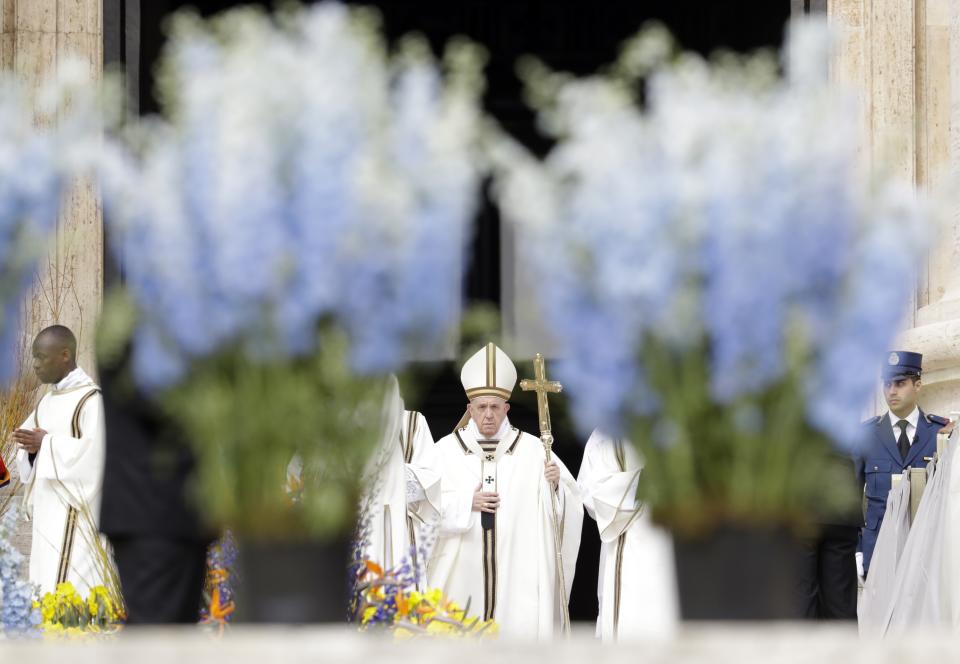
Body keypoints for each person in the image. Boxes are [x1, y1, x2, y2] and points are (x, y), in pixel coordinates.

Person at [427, 343, 582, 639]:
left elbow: (570, 507)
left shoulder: (536, 451)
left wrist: (556, 486)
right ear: (469, 409)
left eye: (494, 407)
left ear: (506, 408)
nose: (488, 415)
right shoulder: (443, 453)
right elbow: (419, 510)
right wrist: (464, 503)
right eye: (481, 407)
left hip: (517, 578)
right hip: (461, 580)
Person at [98, 340, 214, 623]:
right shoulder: (132, 311)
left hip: (182, 505)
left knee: (176, 638)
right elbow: (146, 390)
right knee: (156, 637)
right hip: (150, 507)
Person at [12, 325, 108, 596]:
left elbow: (97, 456)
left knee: (74, 598)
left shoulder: (91, 400)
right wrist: (31, 450)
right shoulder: (46, 401)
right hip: (47, 513)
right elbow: (30, 449)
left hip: (77, 518)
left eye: (41, 357)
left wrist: (47, 444)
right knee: (45, 585)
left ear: (65, 355)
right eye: (34, 357)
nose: (35, 365)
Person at [856, 350, 953, 579]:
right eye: (887, 384)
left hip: (927, 552)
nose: (892, 391)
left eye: (900, 383)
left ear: (918, 385)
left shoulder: (939, 433)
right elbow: (849, 496)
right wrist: (858, 550)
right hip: (878, 551)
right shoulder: (866, 436)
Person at [577, 430, 678, 640]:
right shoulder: (604, 434)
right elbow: (588, 492)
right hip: (626, 534)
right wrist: (639, 481)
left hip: (670, 531)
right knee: (629, 613)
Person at [359, 375, 441, 581]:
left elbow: (430, 481)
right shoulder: (345, 425)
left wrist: (389, 476)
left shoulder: (413, 423)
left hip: (401, 528)